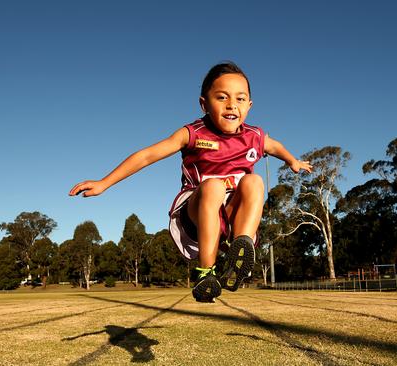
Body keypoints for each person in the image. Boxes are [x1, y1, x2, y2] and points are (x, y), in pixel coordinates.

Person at [69, 62, 312, 302]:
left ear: (249, 106)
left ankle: (240, 249)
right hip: (195, 213)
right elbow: (147, 156)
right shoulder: (193, 133)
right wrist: (104, 183)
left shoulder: (254, 136)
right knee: (215, 185)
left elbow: (275, 146)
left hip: (228, 215)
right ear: (204, 104)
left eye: (240, 99)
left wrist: (292, 161)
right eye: (222, 98)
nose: (231, 105)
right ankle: (206, 273)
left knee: (254, 182)